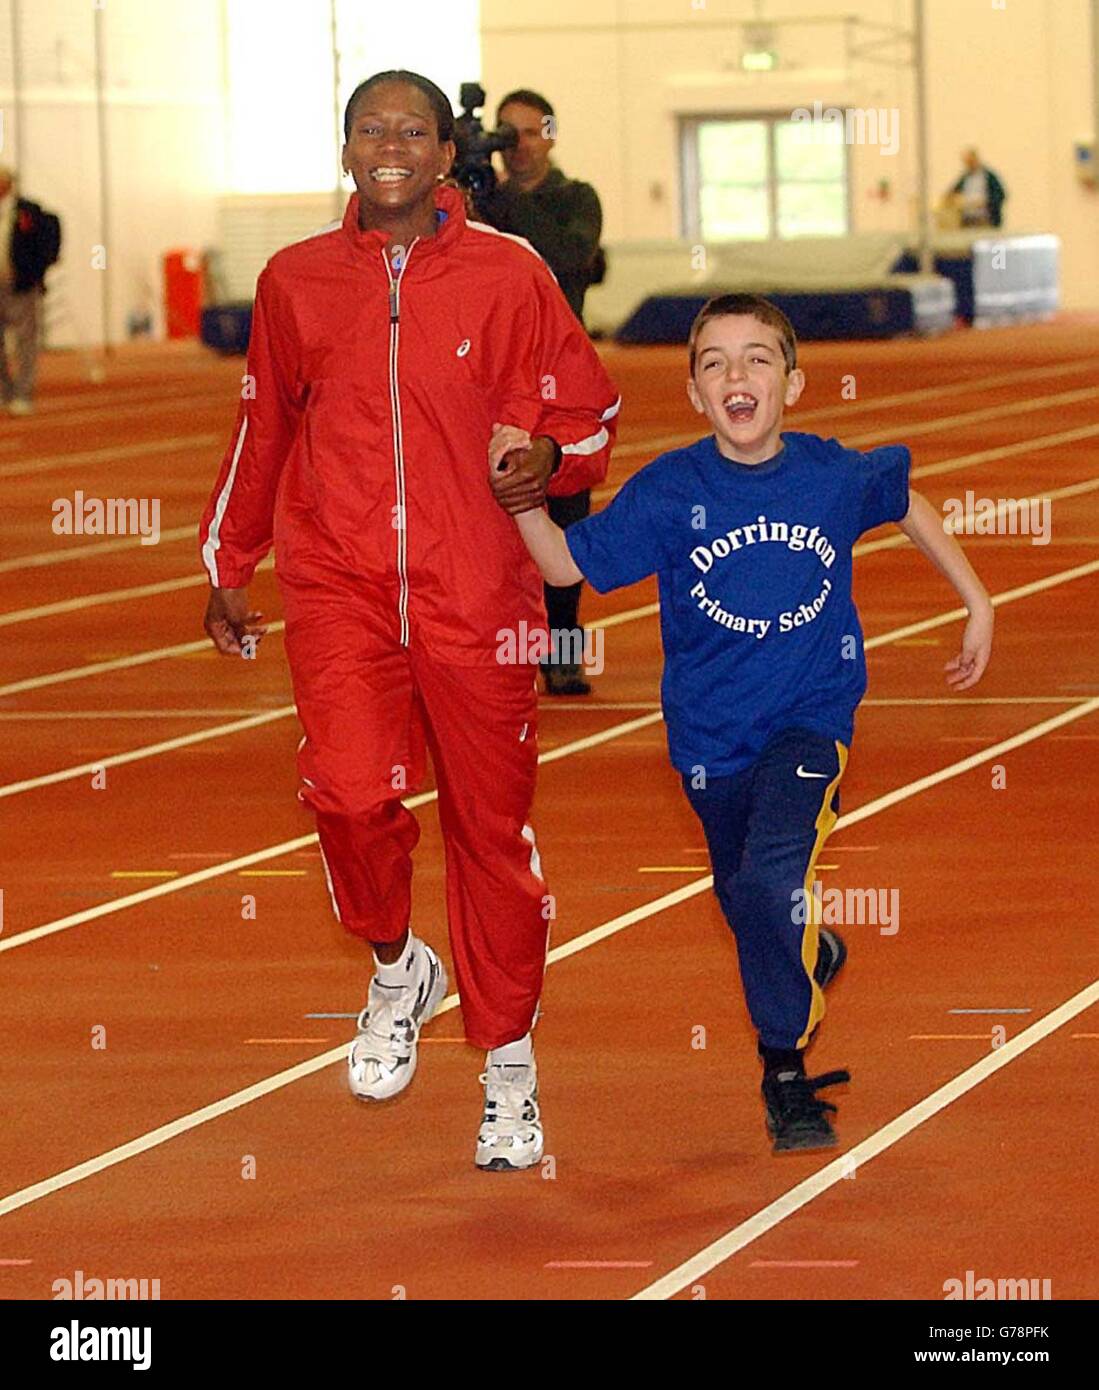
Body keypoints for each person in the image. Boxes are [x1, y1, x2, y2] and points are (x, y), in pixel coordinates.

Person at [198, 71, 620, 1171]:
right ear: (345, 148)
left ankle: (510, 1067)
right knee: (343, 791)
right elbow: (262, 429)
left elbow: (589, 415)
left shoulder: (510, 272)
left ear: (445, 156)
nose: (390, 144)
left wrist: (550, 457)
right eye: (369, 127)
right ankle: (398, 967)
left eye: (412, 130)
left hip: (476, 590)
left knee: (490, 836)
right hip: (337, 584)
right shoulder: (293, 281)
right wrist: (229, 557)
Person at [504, 293, 994, 1154]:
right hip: (708, 740)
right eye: (714, 363)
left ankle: (784, 1070)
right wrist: (518, 497)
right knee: (747, 900)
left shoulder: (827, 474)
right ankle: (808, 953)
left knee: (770, 882)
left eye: (757, 359)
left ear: (793, 384)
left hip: (811, 718)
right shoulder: (670, 491)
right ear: (695, 395)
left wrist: (977, 601)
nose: (737, 376)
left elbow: (903, 498)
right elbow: (565, 562)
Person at [480, 90, 604, 696]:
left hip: (561, 375)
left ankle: (565, 648)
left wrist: (504, 202)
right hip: (491, 379)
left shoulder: (575, 200)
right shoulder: (479, 203)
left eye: (529, 133)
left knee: (566, 513)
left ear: (551, 136)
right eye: (507, 134)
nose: (518, 146)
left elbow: (567, 257)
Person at [0, 164, 61, 415]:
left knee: (26, 341)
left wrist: (37, 272)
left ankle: (23, 393)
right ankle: (3, 392)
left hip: (20, 285)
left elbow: (51, 234)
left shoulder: (29, 211)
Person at [948, 149, 1007, 228]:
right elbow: (952, 193)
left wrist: (985, 202)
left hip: (985, 220)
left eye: (971, 161)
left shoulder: (989, 177)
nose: (969, 164)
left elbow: (1000, 195)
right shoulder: (965, 178)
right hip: (967, 220)